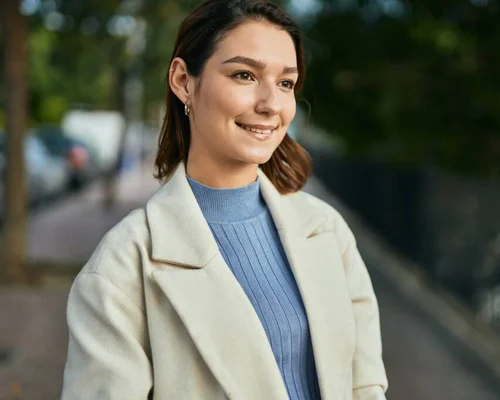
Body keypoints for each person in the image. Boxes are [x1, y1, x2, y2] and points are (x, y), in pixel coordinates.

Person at [61, 0, 388, 399]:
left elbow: (365, 385)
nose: (271, 104)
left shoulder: (327, 230)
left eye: (285, 83)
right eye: (245, 75)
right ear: (183, 81)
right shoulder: (121, 267)